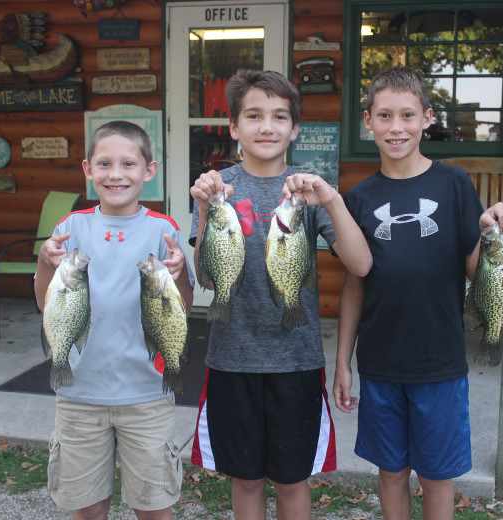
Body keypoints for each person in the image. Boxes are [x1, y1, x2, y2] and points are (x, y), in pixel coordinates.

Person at [333, 66, 503, 520]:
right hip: (380, 362)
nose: (396, 127)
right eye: (385, 116)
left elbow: (477, 271)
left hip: (439, 361)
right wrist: (342, 361)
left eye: (407, 115)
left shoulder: (453, 185)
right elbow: (354, 284)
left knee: (437, 475)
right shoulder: (356, 199)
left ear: (427, 118)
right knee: (391, 472)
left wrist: (487, 232)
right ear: (368, 121)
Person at [188, 69, 372, 520]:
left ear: (294, 129)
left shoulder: (307, 190)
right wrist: (202, 208)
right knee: (246, 478)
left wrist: (330, 199)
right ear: (234, 128)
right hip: (232, 359)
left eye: (278, 117)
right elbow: (207, 280)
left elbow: (362, 264)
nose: (266, 126)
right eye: (253, 116)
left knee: (292, 481)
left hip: (297, 361)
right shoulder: (217, 188)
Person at [34, 120, 195, 520]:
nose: (116, 174)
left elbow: (182, 310)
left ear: (149, 171)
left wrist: (179, 274)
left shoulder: (164, 230)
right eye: (104, 164)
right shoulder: (70, 228)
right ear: (88, 169)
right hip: (80, 396)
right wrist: (42, 261)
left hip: (146, 394)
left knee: (154, 507)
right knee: (88, 507)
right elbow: (45, 303)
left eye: (128, 164)